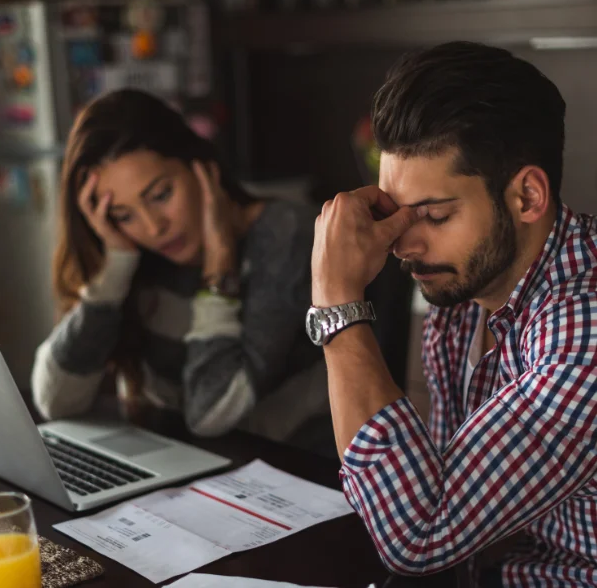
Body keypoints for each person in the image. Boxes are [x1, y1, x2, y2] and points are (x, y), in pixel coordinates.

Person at [307, 42, 597, 587]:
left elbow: (420, 532)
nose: (403, 245)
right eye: (395, 215)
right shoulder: (464, 293)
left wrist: (337, 304)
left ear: (528, 196)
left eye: (434, 214)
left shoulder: (585, 329)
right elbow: (433, 495)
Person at [32, 88, 327, 444]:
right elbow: (55, 401)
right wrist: (115, 269)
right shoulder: (139, 254)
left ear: (199, 164)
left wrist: (219, 268)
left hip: (288, 470)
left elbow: (210, 414)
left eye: (160, 195)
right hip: (180, 465)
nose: (153, 228)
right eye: (123, 215)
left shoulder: (285, 235)